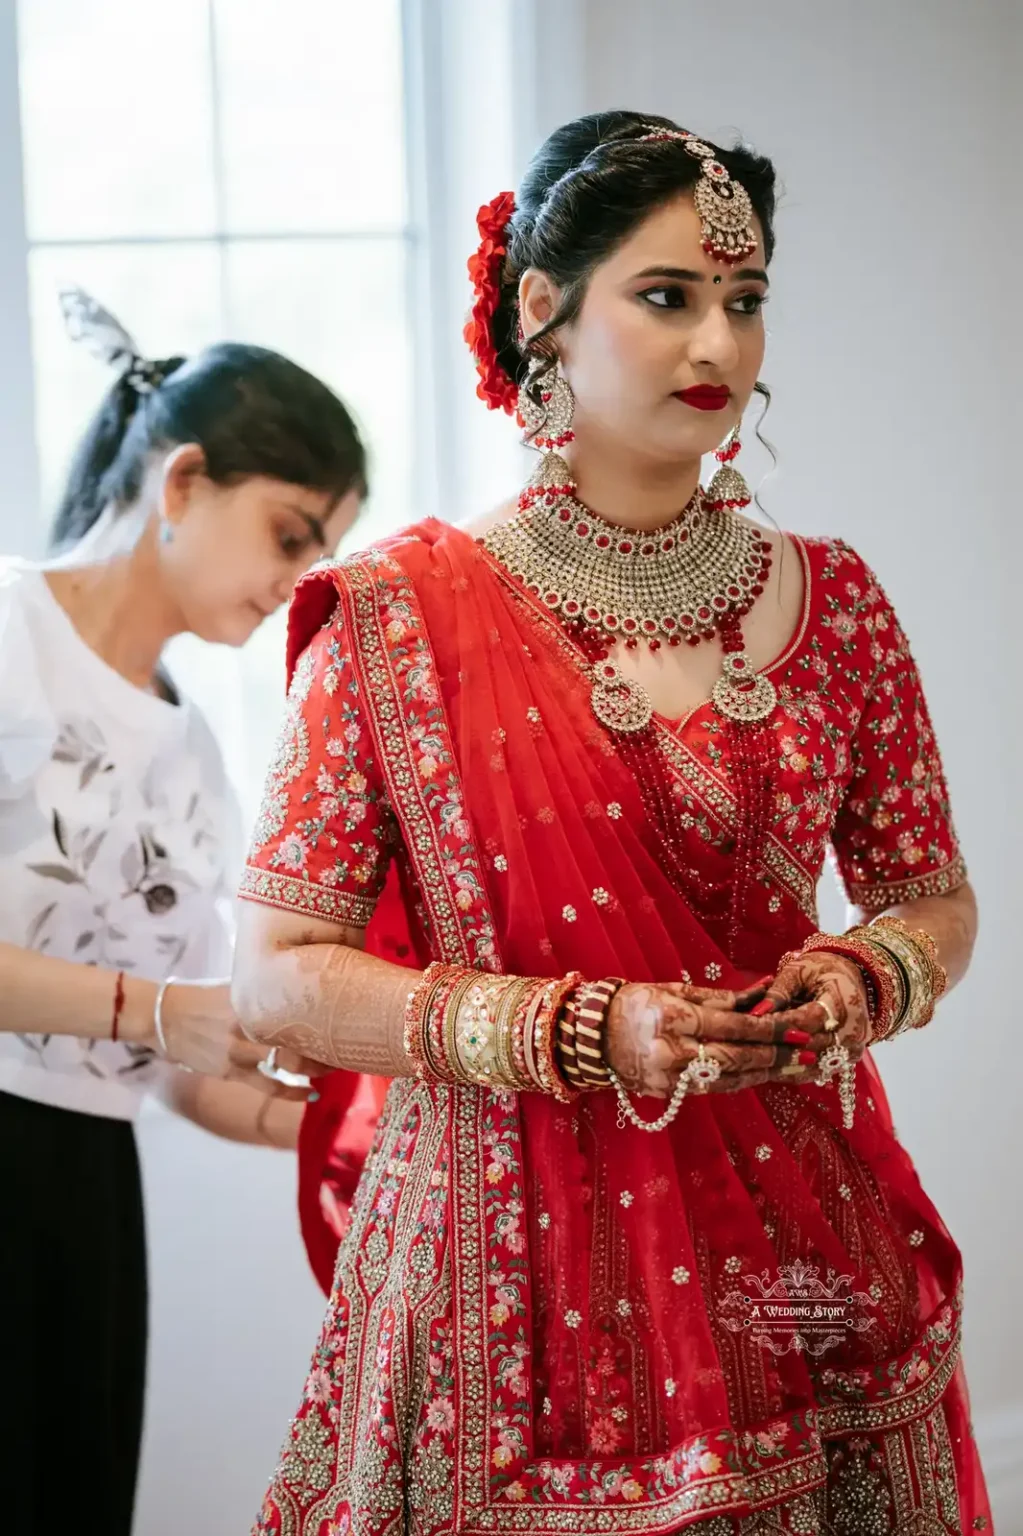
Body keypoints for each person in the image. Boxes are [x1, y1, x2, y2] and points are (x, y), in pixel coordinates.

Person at [233, 113, 992, 1534]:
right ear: (542, 314)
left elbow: (928, 898)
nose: (716, 342)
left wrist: (862, 973)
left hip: (799, 1263)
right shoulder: (399, 620)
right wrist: (577, 1031)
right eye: (666, 297)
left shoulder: (835, 604)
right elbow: (276, 971)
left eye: (744, 299)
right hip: (503, 1274)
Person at [0, 290, 366, 1536]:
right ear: (185, 480)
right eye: (291, 533)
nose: (298, 582)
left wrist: (322, 1136)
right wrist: (164, 1007)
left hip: (86, 1193)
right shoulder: (8, 627)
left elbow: (165, 1060)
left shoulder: (200, 757)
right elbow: (160, 1009)